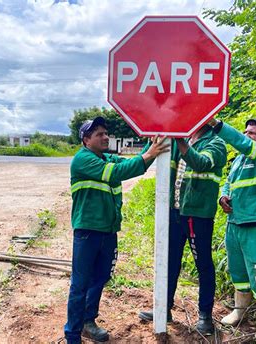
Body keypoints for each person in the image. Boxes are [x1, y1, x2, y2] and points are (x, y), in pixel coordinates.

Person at [64, 116, 169, 343]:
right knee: (80, 283)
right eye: (98, 134)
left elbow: (132, 166)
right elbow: (114, 173)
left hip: (108, 231)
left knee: (100, 277)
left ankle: (88, 321)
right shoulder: (82, 160)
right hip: (88, 231)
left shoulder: (107, 158)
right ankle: (72, 334)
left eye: (105, 133)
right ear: (85, 139)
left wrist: (151, 151)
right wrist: (149, 154)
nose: (105, 137)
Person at [139, 124, 227, 336]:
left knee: (203, 264)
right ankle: (163, 309)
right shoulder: (179, 140)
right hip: (174, 211)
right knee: (168, 262)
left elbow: (201, 163)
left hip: (198, 214)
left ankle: (205, 315)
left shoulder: (216, 143)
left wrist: (179, 138)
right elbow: (150, 155)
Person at [208, 117, 256, 337]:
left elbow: (244, 144)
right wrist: (223, 196)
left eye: (251, 132)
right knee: (238, 270)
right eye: (245, 131)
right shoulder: (239, 161)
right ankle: (239, 311)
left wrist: (217, 124)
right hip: (235, 223)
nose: (245, 134)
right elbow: (229, 182)